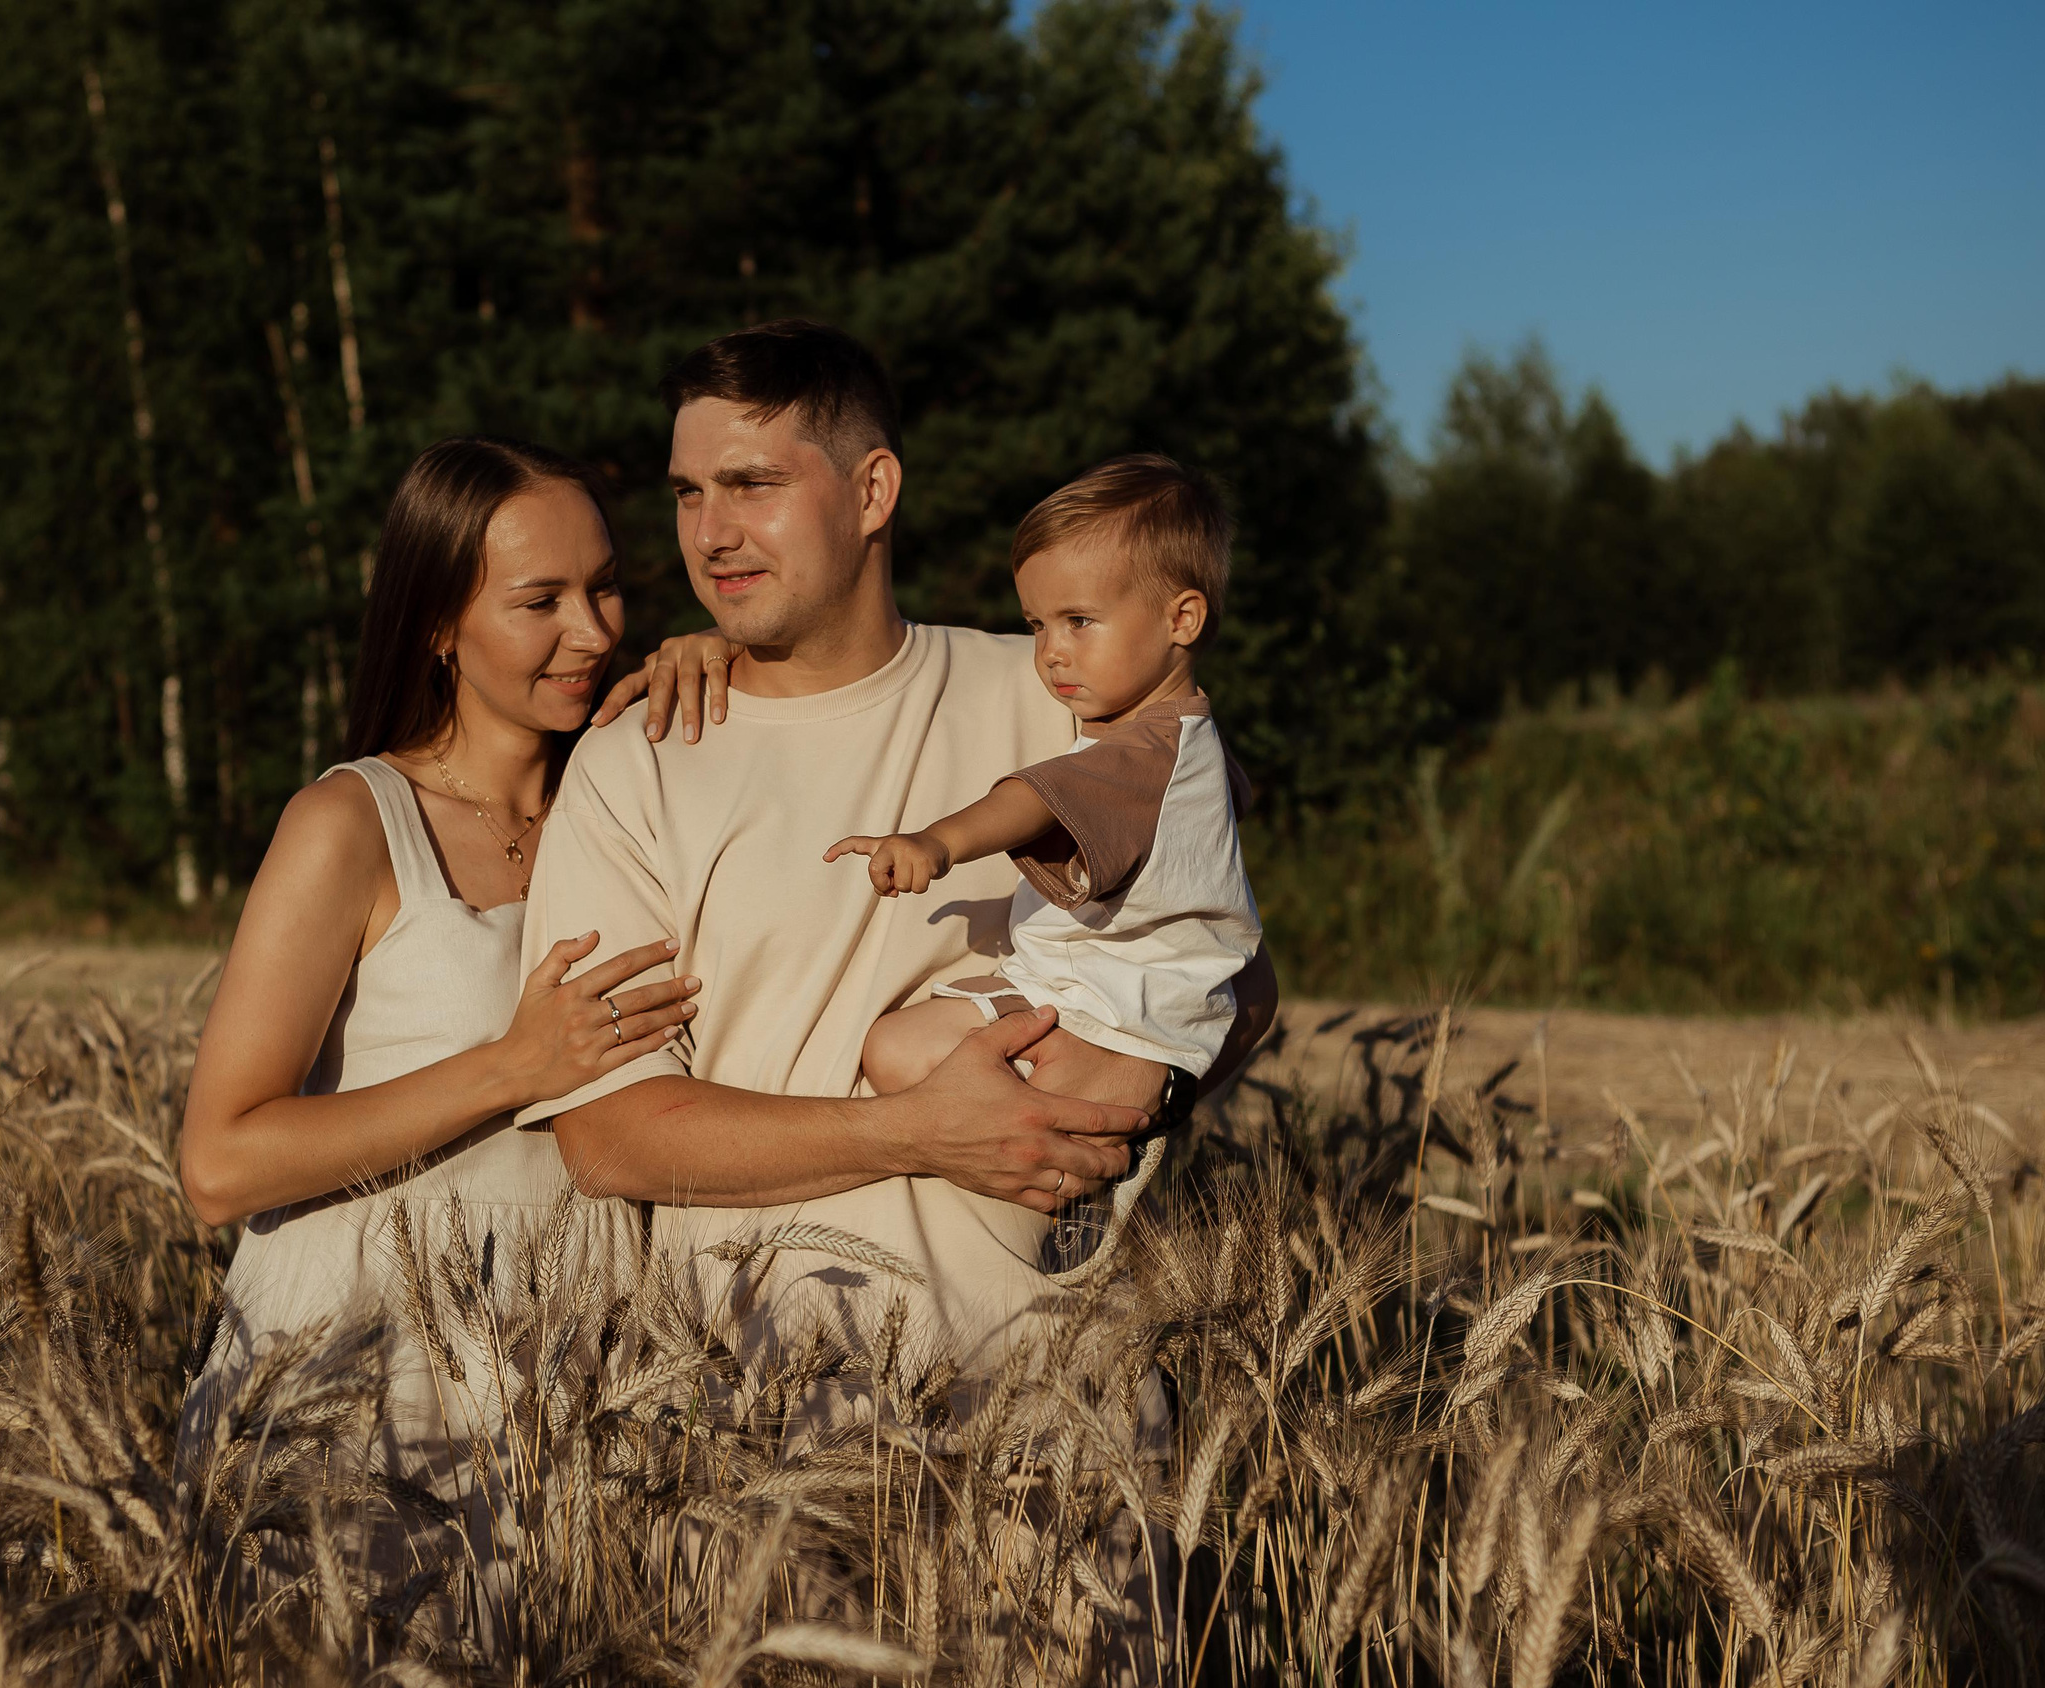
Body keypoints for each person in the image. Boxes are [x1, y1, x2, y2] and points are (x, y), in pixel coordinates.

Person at [518, 321, 1280, 1363]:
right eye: (687, 493)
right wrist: (915, 1130)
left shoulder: (1062, 695)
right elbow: (609, 1138)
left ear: (873, 492)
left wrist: (1117, 1103)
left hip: (1053, 1419)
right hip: (756, 1430)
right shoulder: (638, 756)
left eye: (752, 484)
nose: (710, 532)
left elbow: (1233, 974)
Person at [175, 436, 712, 1467]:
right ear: (436, 625)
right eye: (538, 601)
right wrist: (514, 1069)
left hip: (575, 1379)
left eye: (605, 589)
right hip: (352, 1380)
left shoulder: (639, 809)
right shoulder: (351, 823)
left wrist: (730, 669)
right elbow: (218, 1165)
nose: (593, 631)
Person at [828, 454, 1264, 1281]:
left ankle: (1077, 1170)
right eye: (1036, 626)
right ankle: (1079, 1179)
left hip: (1102, 1010)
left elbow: (1031, 799)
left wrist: (936, 842)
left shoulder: (1141, 751)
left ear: (1183, 617)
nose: (1052, 654)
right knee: (899, 1054)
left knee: (897, 1055)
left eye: (1079, 621)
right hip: (1115, 997)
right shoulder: (1195, 736)